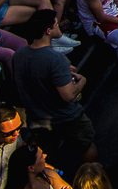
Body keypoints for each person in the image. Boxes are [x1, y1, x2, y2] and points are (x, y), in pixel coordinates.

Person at [10, 10, 99, 164]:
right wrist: (82, 82)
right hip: (65, 117)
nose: (59, 26)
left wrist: (61, 72)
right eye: (57, 24)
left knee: (46, 159)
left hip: (37, 120)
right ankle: (95, 179)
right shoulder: (55, 59)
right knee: (86, 146)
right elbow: (69, 94)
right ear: (48, 30)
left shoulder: (19, 55)